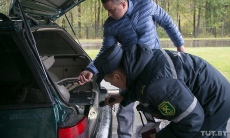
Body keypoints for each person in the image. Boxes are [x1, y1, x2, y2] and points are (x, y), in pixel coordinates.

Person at [78, 0, 185, 137]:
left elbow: (167, 23)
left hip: (157, 67)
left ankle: (160, 132)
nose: (109, 14)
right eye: (107, 11)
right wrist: (91, 69)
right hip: (129, 71)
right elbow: (106, 51)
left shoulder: (147, 5)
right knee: (124, 107)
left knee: (159, 104)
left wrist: (180, 47)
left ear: (123, 4)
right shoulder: (110, 25)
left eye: (112, 10)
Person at [93, 43, 230, 138]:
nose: (111, 84)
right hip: (216, 93)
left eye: (110, 81)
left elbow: (190, 120)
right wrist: (123, 96)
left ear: (117, 76)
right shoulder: (142, 61)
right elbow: (140, 81)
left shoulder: (157, 84)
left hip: (214, 104)